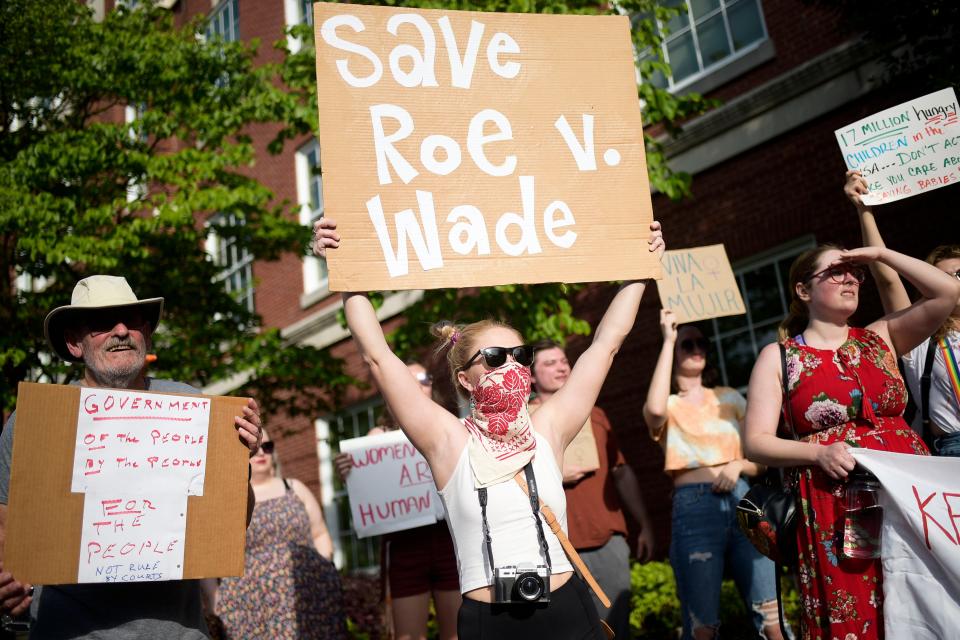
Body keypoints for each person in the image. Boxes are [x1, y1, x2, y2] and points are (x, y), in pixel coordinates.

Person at [313, 216, 664, 639]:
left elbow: (605, 344)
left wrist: (640, 268)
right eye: (495, 357)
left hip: (569, 613)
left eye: (520, 354)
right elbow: (377, 358)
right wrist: (345, 270)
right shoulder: (448, 441)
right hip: (490, 624)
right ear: (465, 379)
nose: (511, 365)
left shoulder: (548, 429)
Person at [0, 275, 263, 639]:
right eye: (103, 323)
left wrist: (239, 466)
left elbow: (232, 524)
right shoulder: (36, 422)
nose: (121, 329)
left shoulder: (192, 406)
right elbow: (6, 534)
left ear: (147, 334)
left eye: (132, 320)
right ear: (75, 344)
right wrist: (12, 588)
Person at [742, 243, 960, 639]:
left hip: (908, 496)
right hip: (834, 505)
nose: (850, 278)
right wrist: (817, 452)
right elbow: (755, 443)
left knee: (928, 600)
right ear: (803, 290)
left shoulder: (882, 336)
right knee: (857, 609)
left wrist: (879, 255)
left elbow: (947, 292)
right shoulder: (779, 357)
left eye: (854, 272)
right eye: (836, 272)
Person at [642, 309, 782, 640]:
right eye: (687, 345)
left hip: (744, 500)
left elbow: (760, 458)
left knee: (772, 620)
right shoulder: (670, 405)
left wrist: (737, 465)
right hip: (696, 508)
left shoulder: (729, 398)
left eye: (701, 343)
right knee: (702, 627)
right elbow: (655, 410)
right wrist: (668, 340)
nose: (697, 349)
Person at [528, 339, 654, 639]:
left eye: (563, 361)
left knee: (614, 628)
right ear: (530, 376)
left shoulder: (595, 414)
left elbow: (621, 473)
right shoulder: (523, 422)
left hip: (605, 541)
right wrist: (554, 475)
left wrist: (645, 525)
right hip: (551, 549)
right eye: (549, 363)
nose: (561, 367)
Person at [333, 362, 460, 640]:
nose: (418, 386)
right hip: (404, 545)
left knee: (457, 634)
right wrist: (350, 473)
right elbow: (368, 488)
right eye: (409, 380)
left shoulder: (451, 427)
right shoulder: (376, 439)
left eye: (424, 379)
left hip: (450, 540)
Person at [845, 169, 960, 456]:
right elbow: (886, 278)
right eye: (949, 276)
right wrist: (864, 209)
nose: (956, 283)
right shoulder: (920, 336)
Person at [208, 428, 346, 639]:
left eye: (268, 446)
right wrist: (214, 599)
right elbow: (207, 553)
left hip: (311, 598)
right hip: (248, 609)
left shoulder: (294, 488)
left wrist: (324, 567)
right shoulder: (225, 499)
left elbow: (319, 534)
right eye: (255, 447)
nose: (262, 452)